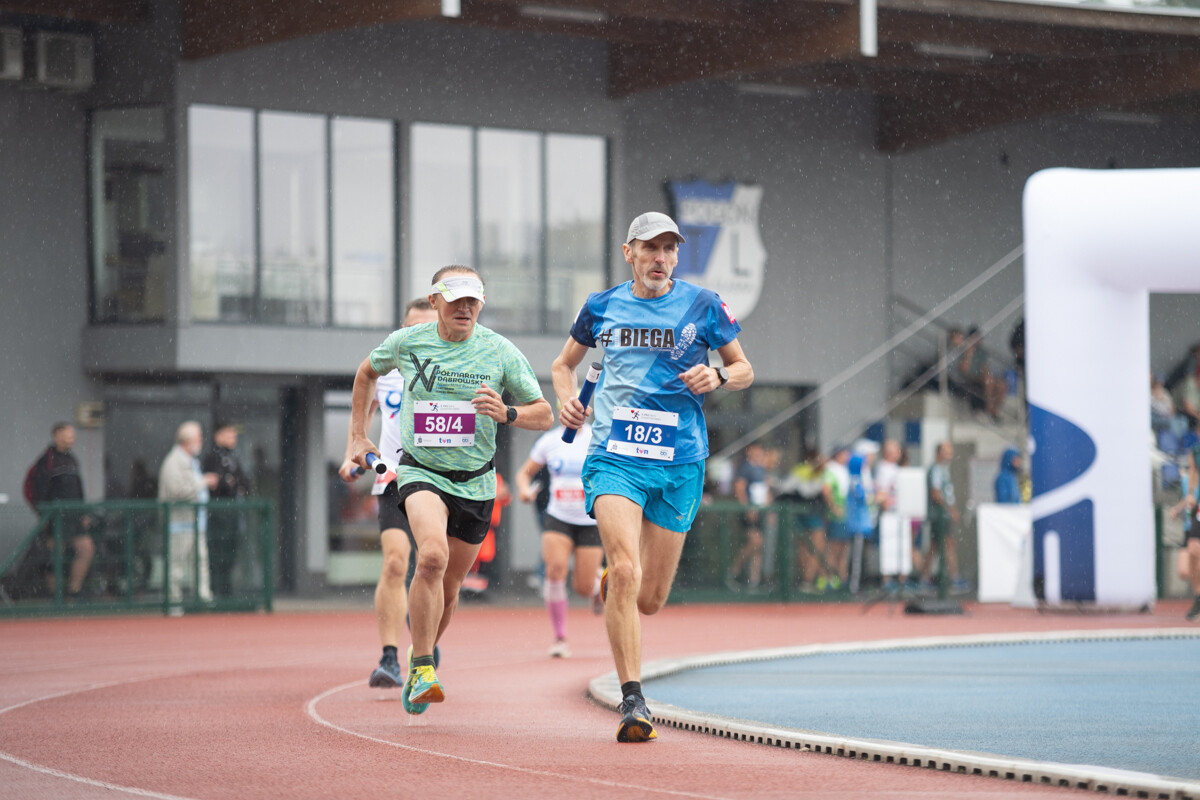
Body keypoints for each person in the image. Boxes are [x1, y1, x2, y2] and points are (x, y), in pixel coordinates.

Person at [552, 211, 754, 742]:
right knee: (624, 570)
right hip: (615, 456)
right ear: (630, 254)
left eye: (669, 249)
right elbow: (561, 365)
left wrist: (720, 375)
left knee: (650, 598)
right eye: (650, 248)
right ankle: (633, 701)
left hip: (679, 460)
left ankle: (617, 586)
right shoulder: (601, 306)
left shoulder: (703, 305)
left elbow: (744, 368)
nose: (660, 259)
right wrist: (567, 399)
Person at [347, 266, 552, 715]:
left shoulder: (499, 351)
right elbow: (365, 374)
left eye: (473, 300)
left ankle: (423, 654)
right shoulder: (408, 342)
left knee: (452, 586)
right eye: (455, 298)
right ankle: (420, 667)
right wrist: (357, 438)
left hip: (476, 481)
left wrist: (508, 413)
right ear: (434, 300)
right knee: (431, 558)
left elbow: (544, 413)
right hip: (420, 471)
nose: (465, 308)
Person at [339, 298, 439, 690]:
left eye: (429, 327)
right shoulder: (385, 374)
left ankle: (427, 644)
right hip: (394, 480)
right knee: (396, 564)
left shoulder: (455, 371)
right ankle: (389, 657)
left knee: (436, 568)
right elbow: (360, 421)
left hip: (441, 484)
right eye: (413, 328)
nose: (421, 336)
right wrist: (352, 453)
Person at [515, 421, 605, 658]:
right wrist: (524, 490)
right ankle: (560, 637)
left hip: (590, 520)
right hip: (558, 517)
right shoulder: (550, 440)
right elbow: (524, 472)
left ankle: (596, 588)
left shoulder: (598, 437)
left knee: (582, 587)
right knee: (555, 571)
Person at [27, 422, 96, 599]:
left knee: (86, 548)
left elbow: (79, 490)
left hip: (74, 517)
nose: (71, 438)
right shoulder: (46, 460)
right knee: (54, 555)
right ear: (56, 435)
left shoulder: (73, 459)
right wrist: (44, 516)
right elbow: (39, 490)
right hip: (55, 518)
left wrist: (83, 513)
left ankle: (74, 590)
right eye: (67, 434)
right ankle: (55, 595)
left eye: (73, 435)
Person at [158, 421, 218, 609]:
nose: (201, 441)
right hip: (179, 523)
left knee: (200, 562)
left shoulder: (191, 461)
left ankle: (203, 599)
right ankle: (173, 602)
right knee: (176, 565)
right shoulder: (173, 462)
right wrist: (203, 482)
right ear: (187, 441)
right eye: (198, 438)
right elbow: (178, 491)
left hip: (196, 523)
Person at [202, 422, 251, 598]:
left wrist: (232, 482)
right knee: (217, 554)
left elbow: (244, 483)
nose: (233, 437)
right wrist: (228, 483)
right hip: (217, 517)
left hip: (233, 517)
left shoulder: (233, 457)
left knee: (231, 553)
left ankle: (226, 591)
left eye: (234, 434)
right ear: (218, 436)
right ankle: (216, 591)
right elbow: (219, 485)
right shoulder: (212, 457)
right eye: (229, 434)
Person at [920, 440, 967, 592]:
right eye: (947, 451)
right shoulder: (936, 470)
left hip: (941, 515)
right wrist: (950, 509)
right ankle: (954, 577)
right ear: (939, 453)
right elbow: (936, 494)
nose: (950, 454)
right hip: (939, 515)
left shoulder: (942, 469)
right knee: (948, 544)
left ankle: (924, 576)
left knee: (935, 546)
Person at [728, 442, 770, 590]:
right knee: (754, 542)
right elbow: (739, 488)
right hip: (751, 512)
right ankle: (734, 570)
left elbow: (765, 489)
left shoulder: (761, 468)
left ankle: (754, 580)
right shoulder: (745, 468)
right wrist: (748, 509)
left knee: (759, 546)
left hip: (760, 511)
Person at [821, 444, 851, 591]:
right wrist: (833, 507)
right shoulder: (831, 469)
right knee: (834, 549)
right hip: (837, 516)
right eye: (845, 453)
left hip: (845, 516)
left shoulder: (843, 470)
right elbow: (826, 490)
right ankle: (828, 579)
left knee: (843, 549)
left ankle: (842, 579)